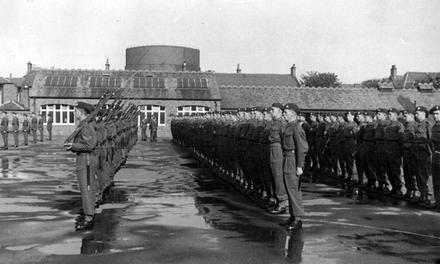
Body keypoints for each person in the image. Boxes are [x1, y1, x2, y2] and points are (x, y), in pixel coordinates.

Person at [64, 102, 98, 231]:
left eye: (76, 111)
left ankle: (89, 218)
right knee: (86, 188)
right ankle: (89, 213)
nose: (74, 113)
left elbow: (89, 145)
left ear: (82, 112)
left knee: (87, 189)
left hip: (86, 161)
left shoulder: (86, 127)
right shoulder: (84, 125)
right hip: (84, 160)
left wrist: (73, 146)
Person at [281, 103, 308, 231]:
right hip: (287, 158)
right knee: (289, 188)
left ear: (293, 113)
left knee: (293, 189)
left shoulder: (296, 128)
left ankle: (297, 218)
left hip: (293, 159)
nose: (284, 114)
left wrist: (299, 166)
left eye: (286, 112)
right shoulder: (288, 126)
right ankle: (292, 216)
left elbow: (302, 148)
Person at [429, 105, 440, 209]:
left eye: (437, 114)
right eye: (434, 114)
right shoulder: (434, 127)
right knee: (436, 181)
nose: (435, 116)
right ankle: (438, 201)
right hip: (436, 157)